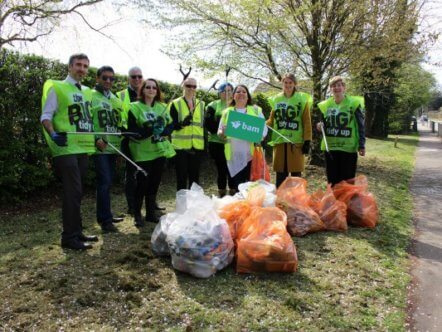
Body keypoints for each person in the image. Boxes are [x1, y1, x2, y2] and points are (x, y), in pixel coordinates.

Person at [40, 53, 98, 250]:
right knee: (72, 192)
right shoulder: (58, 87)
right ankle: (69, 237)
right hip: (65, 149)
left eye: (85, 66)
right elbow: (45, 116)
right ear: (70, 67)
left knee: (78, 192)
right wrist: (53, 134)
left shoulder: (87, 92)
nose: (82, 69)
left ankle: (77, 231)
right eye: (78, 65)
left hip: (82, 147)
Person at [128, 79, 175, 227]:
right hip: (142, 153)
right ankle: (137, 214)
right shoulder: (134, 107)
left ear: (157, 91)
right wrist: (150, 130)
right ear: (142, 90)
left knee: (154, 183)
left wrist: (164, 130)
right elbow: (132, 131)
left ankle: (150, 213)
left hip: (159, 151)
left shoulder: (162, 107)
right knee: (141, 184)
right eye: (148, 87)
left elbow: (170, 126)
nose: (151, 90)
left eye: (154, 88)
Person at [90, 66, 124, 233]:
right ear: (97, 78)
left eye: (112, 79)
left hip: (113, 147)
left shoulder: (116, 99)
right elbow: (86, 119)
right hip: (100, 148)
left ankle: (107, 214)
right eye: (105, 78)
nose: (108, 81)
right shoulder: (90, 95)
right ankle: (105, 220)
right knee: (104, 182)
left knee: (109, 182)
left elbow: (119, 124)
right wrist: (96, 138)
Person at [218, 84, 268, 192]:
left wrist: (259, 137)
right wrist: (223, 132)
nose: (241, 94)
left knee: (250, 189)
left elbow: (264, 131)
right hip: (233, 156)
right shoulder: (227, 112)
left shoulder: (256, 111)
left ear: (248, 96)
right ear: (233, 96)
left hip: (251, 156)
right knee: (237, 188)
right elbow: (220, 133)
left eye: (244, 92)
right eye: (238, 92)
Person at [317, 76, 366, 185]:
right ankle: (334, 201)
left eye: (339, 85)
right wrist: (320, 126)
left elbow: (360, 125)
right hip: (331, 148)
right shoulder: (326, 105)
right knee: (332, 180)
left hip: (348, 149)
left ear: (344, 87)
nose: (336, 88)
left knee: (347, 181)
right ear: (330, 88)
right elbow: (324, 123)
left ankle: (345, 202)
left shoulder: (353, 103)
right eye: (333, 86)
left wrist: (361, 145)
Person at [267, 73, 312, 187]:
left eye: (290, 82)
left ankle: (297, 202)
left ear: (295, 84)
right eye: (285, 82)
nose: (288, 85)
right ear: (282, 84)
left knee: (296, 176)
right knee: (280, 177)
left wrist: (307, 140)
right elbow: (271, 121)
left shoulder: (302, 99)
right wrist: (258, 124)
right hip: (280, 143)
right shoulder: (276, 99)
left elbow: (306, 121)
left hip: (295, 144)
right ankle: (281, 202)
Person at [169, 77, 205, 190]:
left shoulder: (202, 104)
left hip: (197, 146)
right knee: (181, 177)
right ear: (183, 86)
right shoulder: (175, 104)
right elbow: (170, 126)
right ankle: (182, 205)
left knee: (195, 178)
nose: (191, 88)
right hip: (180, 148)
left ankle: (194, 204)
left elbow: (204, 127)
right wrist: (182, 124)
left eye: (194, 86)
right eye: (188, 86)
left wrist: (206, 146)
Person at [116, 67, 143, 216]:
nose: (137, 79)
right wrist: (126, 133)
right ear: (128, 78)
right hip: (128, 140)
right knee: (131, 174)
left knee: (146, 173)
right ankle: (131, 206)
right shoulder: (120, 96)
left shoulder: (147, 93)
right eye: (134, 77)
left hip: (145, 141)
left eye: (140, 76)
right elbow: (116, 119)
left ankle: (149, 203)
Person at [204, 82, 235, 197]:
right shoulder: (213, 105)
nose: (227, 93)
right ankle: (222, 192)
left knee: (232, 169)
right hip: (216, 143)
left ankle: (233, 191)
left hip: (232, 143)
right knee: (222, 169)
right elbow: (208, 124)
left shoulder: (236, 105)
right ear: (219, 93)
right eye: (224, 91)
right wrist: (221, 126)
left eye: (230, 91)